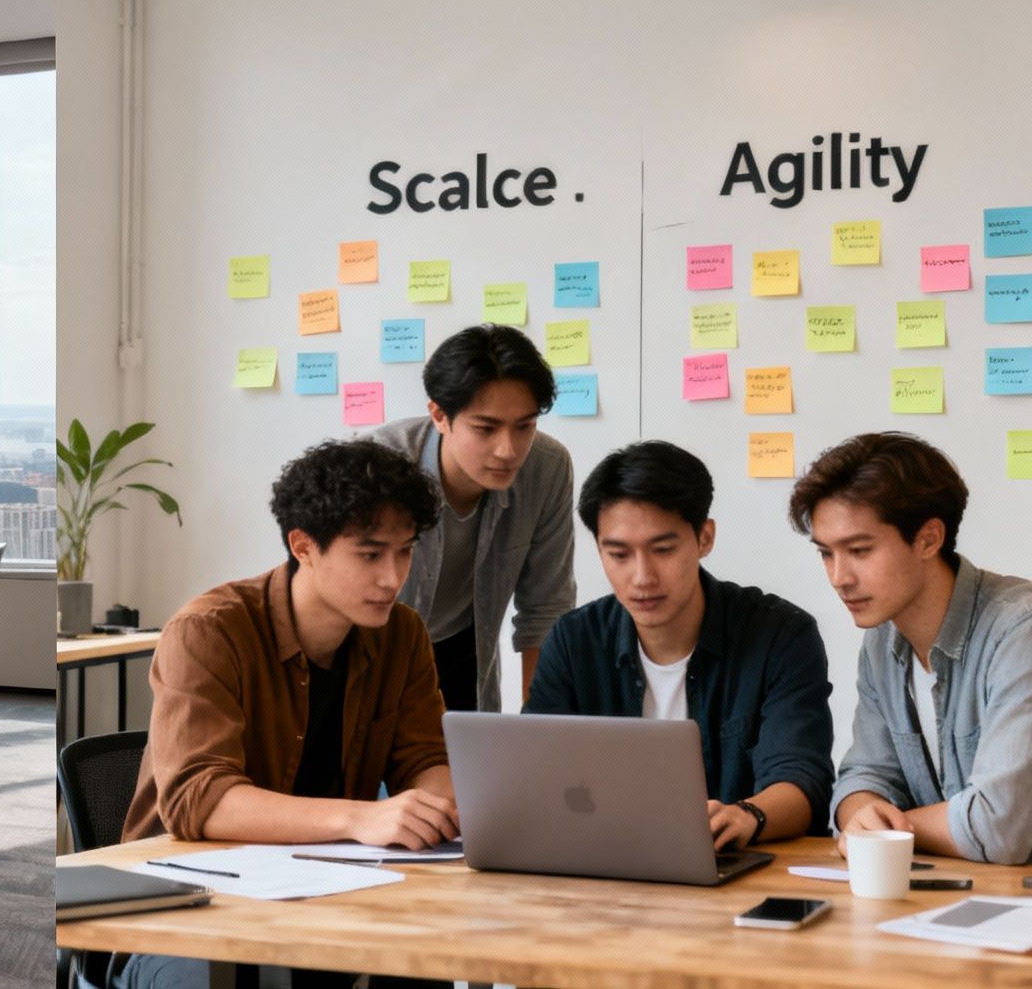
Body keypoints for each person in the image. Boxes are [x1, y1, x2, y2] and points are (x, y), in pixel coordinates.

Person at [116, 439, 454, 989]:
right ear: (304, 547)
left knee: (431, 958)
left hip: (323, 892)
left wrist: (434, 807)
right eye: (370, 555)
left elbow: (426, 758)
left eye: (405, 551)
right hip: (182, 908)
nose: (393, 578)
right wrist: (359, 817)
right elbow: (198, 798)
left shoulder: (402, 634)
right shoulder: (210, 630)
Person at [524, 441, 834, 848]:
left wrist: (748, 815)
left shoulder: (780, 635)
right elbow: (535, 773)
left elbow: (801, 778)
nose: (642, 577)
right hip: (606, 862)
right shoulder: (573, 641)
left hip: (736, 863)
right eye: (618, 554)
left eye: (663, 550)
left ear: (704, 538)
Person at [792, 432, 1032, 865]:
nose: (839, 577)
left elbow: (1000, 828)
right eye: (826, 554)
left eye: (859, 550)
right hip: (940, 902)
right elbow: (863, 777)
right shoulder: (881, 641)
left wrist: (885, 828)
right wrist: (861, 815)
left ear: (928, 539)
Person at [364, 323, 576, 713]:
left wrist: (541, 731)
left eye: (525, 426)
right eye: (485, 428)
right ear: (440, 415)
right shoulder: (375, 464)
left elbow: (546, 608)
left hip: (463, 654)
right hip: (369, 655)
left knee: (469, 771)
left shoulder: (547, 468)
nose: (507, 450)